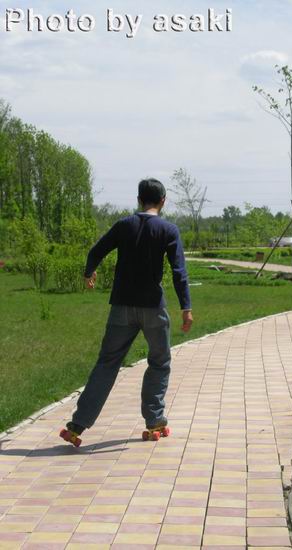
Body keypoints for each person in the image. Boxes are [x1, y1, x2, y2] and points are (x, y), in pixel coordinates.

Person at [60, 178, 193, 445]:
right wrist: (186, 307)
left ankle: (77, 425)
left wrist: (89, 272)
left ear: (139, 200)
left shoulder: (124, 225)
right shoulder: (168, 229)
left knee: (107, 363)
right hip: (153, 309)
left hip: (121, 308)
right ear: (163, 201)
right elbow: (179, 271)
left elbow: (96, 250)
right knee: (159, 362)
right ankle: (154, 420)